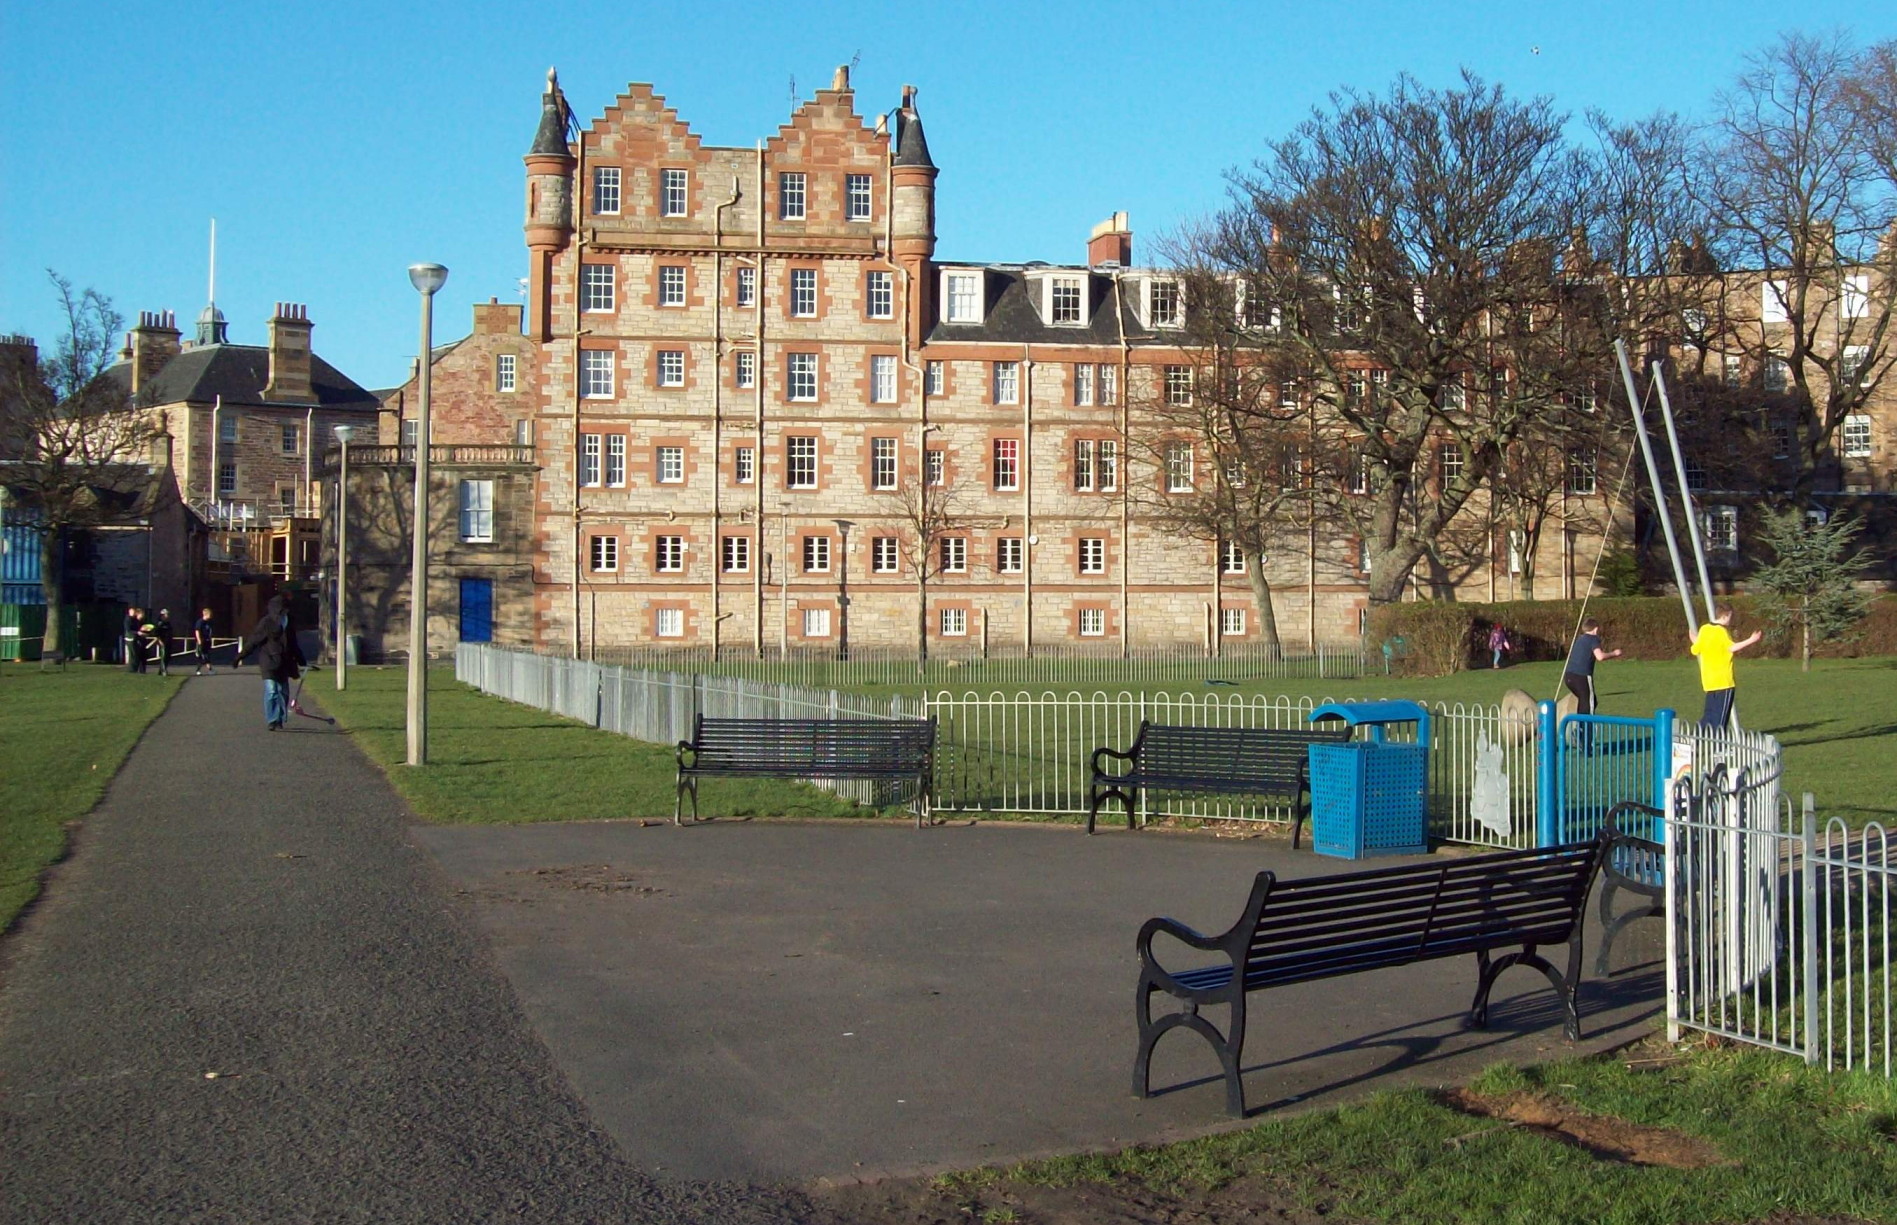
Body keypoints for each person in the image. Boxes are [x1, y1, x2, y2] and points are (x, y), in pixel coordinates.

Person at [237, 595, 306, 730]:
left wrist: (301, 660)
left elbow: (293, 643)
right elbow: (254, 641)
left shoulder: (289, 621)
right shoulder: (266, 622)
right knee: (272, 691)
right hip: (268, 661)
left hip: (285, 662)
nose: (284, 611)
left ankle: (279, 717)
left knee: (283, 692)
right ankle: (272, 719)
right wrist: (240, 656)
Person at [1691, 606, 1762, 730]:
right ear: (1724, 616)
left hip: (1709, 682)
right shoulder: (1722, 632)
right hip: (1723, 682)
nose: (1730, 620)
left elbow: (1696, 649)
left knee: (1708, 715)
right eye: (1729, 616)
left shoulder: (1704, 629)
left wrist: (1694, 640)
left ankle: (1694, 739)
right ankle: (1718, 746)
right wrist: (1751, 640)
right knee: (1721, 719)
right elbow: (1731, 647)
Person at [1562, 617, 1622, 717]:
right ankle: (1586, 730)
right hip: (1582, 677)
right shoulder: (1593, 639)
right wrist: (1614, 653)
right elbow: (1600, 656)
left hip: (1569, 677)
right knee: (1589, 705)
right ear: (1596, 629)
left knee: (1588, 701)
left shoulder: (1580, 639)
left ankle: (1579, 727)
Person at [192, 608, 216, 675]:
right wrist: (199, 641)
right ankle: (199, 670)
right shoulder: (200, 622)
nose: (211, 616)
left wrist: (210, 638)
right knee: (201, 656)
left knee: (207, 655)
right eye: (210, 614)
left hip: (207, 641)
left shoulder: (208, 622)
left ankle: (210, 670)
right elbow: (197, 631)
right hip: (201, 641)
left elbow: (209, 631)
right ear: (206, 614)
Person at [149, 608, 172, 677]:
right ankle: (163, 670)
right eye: (166, 614)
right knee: (163, 656)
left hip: (169, 641)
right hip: (163, 641)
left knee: (168, 656)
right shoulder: (159, 623)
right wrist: (160, 641)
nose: (167, 616)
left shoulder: (168, 623)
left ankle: (160, 670)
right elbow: (156, 634)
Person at [122, 606, 142, 673]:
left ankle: (135, 668)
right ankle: (131, 669)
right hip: (130, 638)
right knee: (132, 654)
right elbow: (128, 630)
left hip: (135, 638)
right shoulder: (128, 619)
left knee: (135, 654)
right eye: (133, 612)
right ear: (130, 612)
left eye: (134, 612)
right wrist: (137, 632)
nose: (134, 613)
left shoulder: (135, 620)